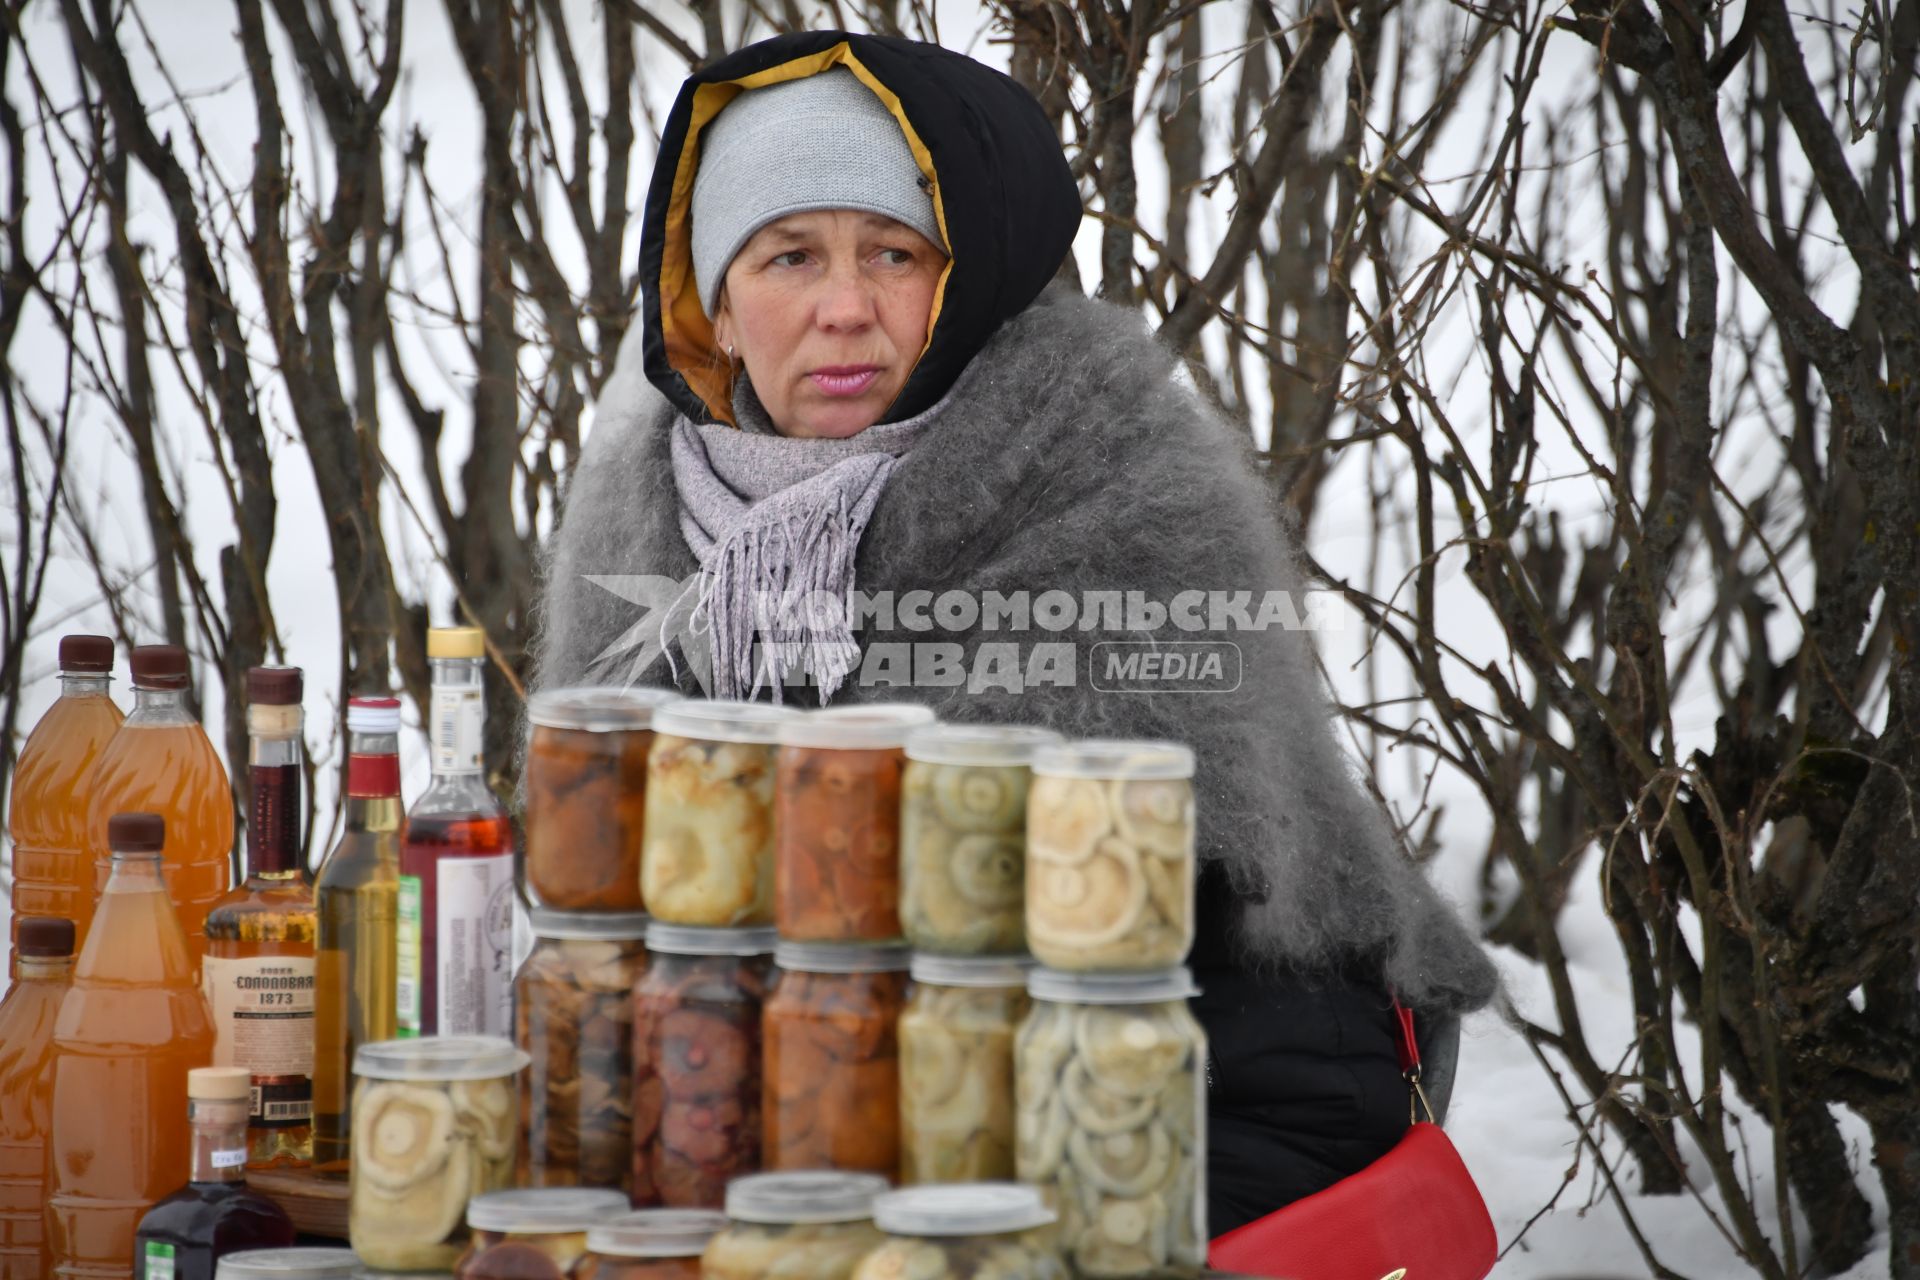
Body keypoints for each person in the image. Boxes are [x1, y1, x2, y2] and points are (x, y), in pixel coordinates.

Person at [532, 30, 1498, 1236]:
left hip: (1210, 1103)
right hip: (822, 1125)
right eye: (789, 256)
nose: (843, 307)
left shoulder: (1106, 470)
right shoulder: (639, 510)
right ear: (715, 308)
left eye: (894, 252)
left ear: (963, 279)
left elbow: (1147, 941)